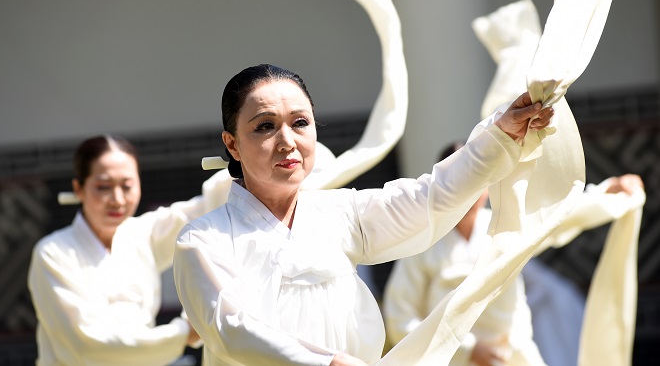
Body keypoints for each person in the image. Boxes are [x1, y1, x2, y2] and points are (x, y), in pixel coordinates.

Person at [173, 63, 554, 366]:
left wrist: (500, 135)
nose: (287, 141)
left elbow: (429, 196)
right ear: (232, 144)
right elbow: (231, 328)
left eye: (300, 123)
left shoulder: (341, 211)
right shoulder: (203, 240)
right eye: (265, 126)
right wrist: (327, 363)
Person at [28, 135, 205, 366]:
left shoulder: (141, 235)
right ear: (78, 188)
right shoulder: (53, 253)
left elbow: (203, 209)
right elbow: (86, 345)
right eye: (104, 187)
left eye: (127, 185)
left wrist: (245, 166)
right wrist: (181, 333)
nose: (117, 199)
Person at [382, 141, 546, 366]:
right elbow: (400, 318)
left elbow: (557, 218)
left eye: (478, 180)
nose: (469, 191)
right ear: (441, 185)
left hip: (511, 354)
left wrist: (604, 194)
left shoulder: (506, 226)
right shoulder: (422, 240)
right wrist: (466, 350)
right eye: (460, 181)